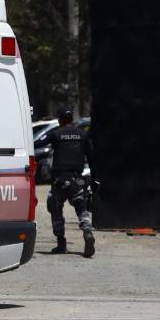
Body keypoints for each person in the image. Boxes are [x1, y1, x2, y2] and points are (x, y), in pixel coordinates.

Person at [47, 107, 97, 258]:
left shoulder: (55, 134)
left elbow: (40, 143)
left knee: (55, 208)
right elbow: (92, 159)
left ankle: (61, 243)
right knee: (82, 208)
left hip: (59, 180)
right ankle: (87, 232)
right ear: (71, 119)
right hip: (77, 180)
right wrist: (95, 179)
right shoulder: (83, 135)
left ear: (60, 120)